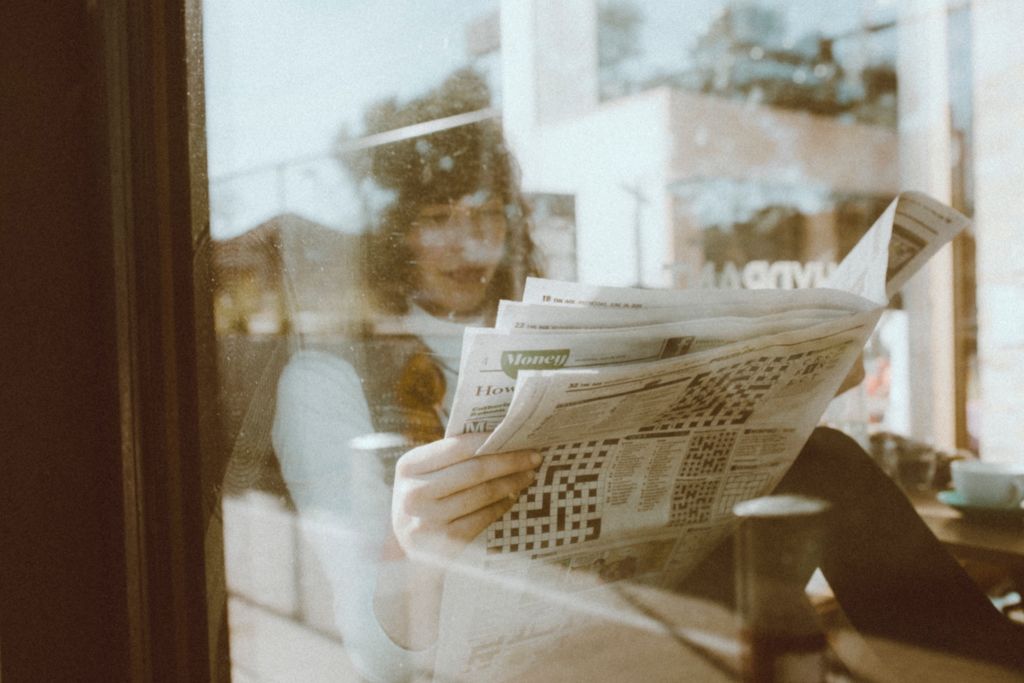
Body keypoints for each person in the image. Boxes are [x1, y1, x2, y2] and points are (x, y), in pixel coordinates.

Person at [272, 70, 1024, 682]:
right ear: (393, 230)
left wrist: (785, 396)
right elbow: (370, 660)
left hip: (637, 629)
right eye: (438, 216)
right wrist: (415, 546)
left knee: (818, 458)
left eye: (487, 215)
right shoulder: (327, 378)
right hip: (504, 665)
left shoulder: (549, 331)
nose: (469, 243)